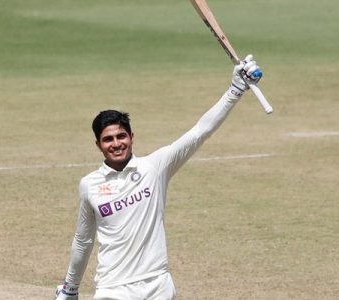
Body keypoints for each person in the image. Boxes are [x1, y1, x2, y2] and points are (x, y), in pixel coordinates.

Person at [55, 55, 263, 300]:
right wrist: (70, 288)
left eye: (121, 136)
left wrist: (235, 90)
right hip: (113, 289)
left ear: (132, 136)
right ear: (98, 145)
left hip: (158, 286)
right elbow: (83, 240)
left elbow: (200, 132)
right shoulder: (90, 185)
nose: (116, 144)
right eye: (108, 139)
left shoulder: (155, 167)